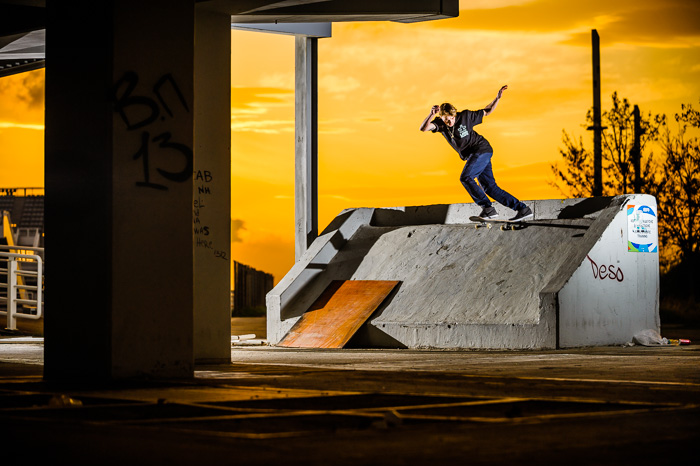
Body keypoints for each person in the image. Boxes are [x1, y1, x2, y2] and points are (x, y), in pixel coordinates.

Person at [419, 85, 532, 221]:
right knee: (490, 188)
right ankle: (522, 209)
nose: (449, 122)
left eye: (451, 118)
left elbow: (487, 111)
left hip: (481, 149)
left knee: (466, 177)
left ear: (454, 114)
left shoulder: (466, 116)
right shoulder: (440, 124)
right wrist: (431, 114)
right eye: (446, 119)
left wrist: (497, 98)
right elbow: (423, 128)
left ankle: (488, 209)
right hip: (475, 156)